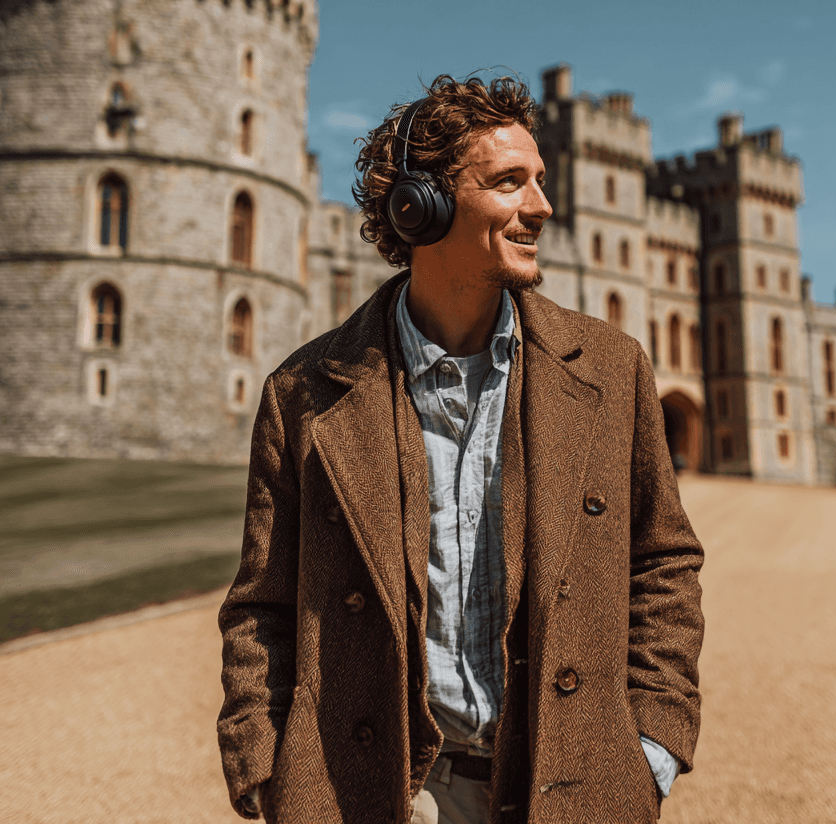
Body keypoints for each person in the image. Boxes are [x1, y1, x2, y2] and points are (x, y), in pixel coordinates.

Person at [216, 74, 705, 824]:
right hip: (377, 793)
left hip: (569, 786)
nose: (541, 206)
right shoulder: (303, 393)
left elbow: (663, 562)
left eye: (541, 179)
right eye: (509, 182)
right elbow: (262, 605)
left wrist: (652, 747)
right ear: (421, 205)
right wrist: (267, 768)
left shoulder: (612, 370)